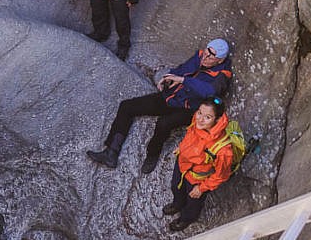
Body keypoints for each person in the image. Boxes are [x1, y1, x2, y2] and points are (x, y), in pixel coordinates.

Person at [86, 38, 233, 174]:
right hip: (172, 96)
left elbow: (209, 91)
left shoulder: (222, 75)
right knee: (127, 106)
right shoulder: (200, 56)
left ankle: (152, 154)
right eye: (207, 51)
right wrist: (168, 78)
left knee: (164, 124)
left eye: (211, 56)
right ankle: (111, 151)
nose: (206, 57)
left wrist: (182, 80)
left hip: (190, 108)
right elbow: (182, 69)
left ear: (220, 60)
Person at [163, 97, 235, 232]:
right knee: (176, 186)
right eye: (199, 113)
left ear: (217, 120)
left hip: (197, 179)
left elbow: (221, 175)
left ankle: (187, 218)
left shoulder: (223, 150)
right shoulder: (197, 122)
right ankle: (178, 203)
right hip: (183, 164)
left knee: (193, 202)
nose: (200, 119)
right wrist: (181, 148)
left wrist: (202, 188)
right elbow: (190, 136)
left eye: (207, 117)